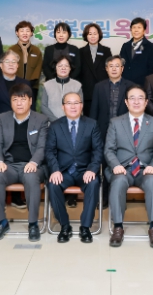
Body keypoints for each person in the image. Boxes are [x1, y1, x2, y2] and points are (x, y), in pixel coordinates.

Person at [104, 85, 153, 248]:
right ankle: (118, 227)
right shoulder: (116, 122)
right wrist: (116, 165)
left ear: (146, 102)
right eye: (132, 98)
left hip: (146, 169)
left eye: (140, 98)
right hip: (122, 169)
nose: (136, 102)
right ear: (126, 102)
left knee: (152, 181)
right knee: (118, 181)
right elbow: (109, 149)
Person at [0, 84, 49, 242]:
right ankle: (1, 222)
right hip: (9, 165)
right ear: (10, 102)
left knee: (31, 177)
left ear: (30, 101)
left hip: (33, 165)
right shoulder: (2, 118)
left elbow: (42, 146)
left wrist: (34, 162)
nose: (19, 103)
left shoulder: (41, 120)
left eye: (23, 99)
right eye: (15, 99)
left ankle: (33, 224)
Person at [45, 92, 103, 243]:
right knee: (53, 185)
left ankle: (85, 227)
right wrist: (55, 170)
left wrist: (92, 169)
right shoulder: (55, 126)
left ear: (81, 105)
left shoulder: (91, 124)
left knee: (94, 183)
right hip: (63, 171)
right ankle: (65, 226)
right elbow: (49, 151)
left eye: (76, 103)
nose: (73, 106)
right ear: (63, 107)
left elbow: (98, 150)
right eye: (69, 103)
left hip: (85, 171)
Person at [0, 50, 32, 140]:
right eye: (7, 61)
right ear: (1, 65)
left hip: (23, 126)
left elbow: (31, 107)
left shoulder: (25, 83)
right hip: (0, 126)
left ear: (17, 65)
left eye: (14, 62)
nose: (11, 64)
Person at [89, 56, 135, 143]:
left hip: (125, 129)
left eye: (117, 66)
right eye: (111, 66)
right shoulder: (99, 87)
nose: (114, 69)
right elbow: (94, 110)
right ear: (106, 68)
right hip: (103, 130)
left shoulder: (131, 86)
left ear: (122, 68)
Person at [79, 23, 112, 114]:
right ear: (86, 35)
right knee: (88, 118)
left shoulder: (106, 51)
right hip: (86, 91)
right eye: (90, 34)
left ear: (99, 35)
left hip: (102, 90)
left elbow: (110, 70)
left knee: (102, 117)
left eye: (95, 33)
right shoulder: (80, 51)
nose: (92, 36)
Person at [8, 20, 43, 108]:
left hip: (32, 86)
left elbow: (38, 67)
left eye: (27, 31)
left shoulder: (36, 50)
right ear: (17, 33)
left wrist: (30, 82)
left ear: (31, 33)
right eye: (22, 31)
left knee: (31, 109)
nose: (25, 33)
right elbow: (8, 66)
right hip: (14, 85)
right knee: (16, 108)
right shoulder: (11, 50)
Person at [41, 55, 83, 122]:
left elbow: (79, 106)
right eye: (60, 66)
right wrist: (56, 121)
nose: (63, 68)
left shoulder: (77, 85)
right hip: (51, 124)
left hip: (72, 123)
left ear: (70, 68)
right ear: (55, 68)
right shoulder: (47, 85)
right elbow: (43, 106)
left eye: (66, 66)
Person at [120, 17, 153, 86]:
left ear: (144, 30)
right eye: (134, 27)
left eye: (139, 27)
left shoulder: (150, 46)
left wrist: (147, 84)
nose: (136, 30)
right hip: (125, 84)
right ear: (131, 30)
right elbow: (121, 64)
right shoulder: (125, 46)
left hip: (143, 84)